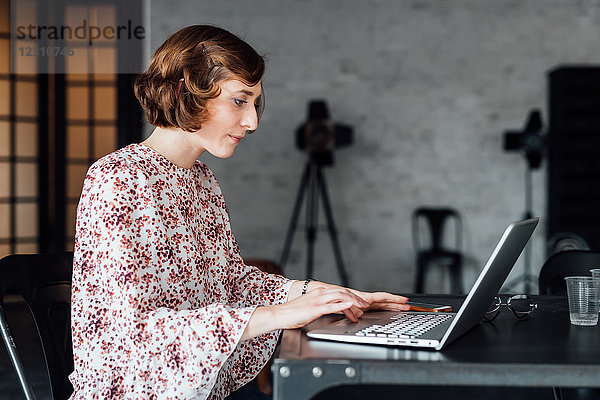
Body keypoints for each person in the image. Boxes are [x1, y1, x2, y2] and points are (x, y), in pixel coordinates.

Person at [69, 25, 410, 400]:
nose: (252, 122)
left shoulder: (200, 179)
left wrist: (322, 294)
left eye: (255, 103)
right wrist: (282, 314)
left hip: (206, 387)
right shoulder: (119, 178)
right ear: (186, 92)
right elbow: (135, 332)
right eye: (239, 101)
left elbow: (230, 282)